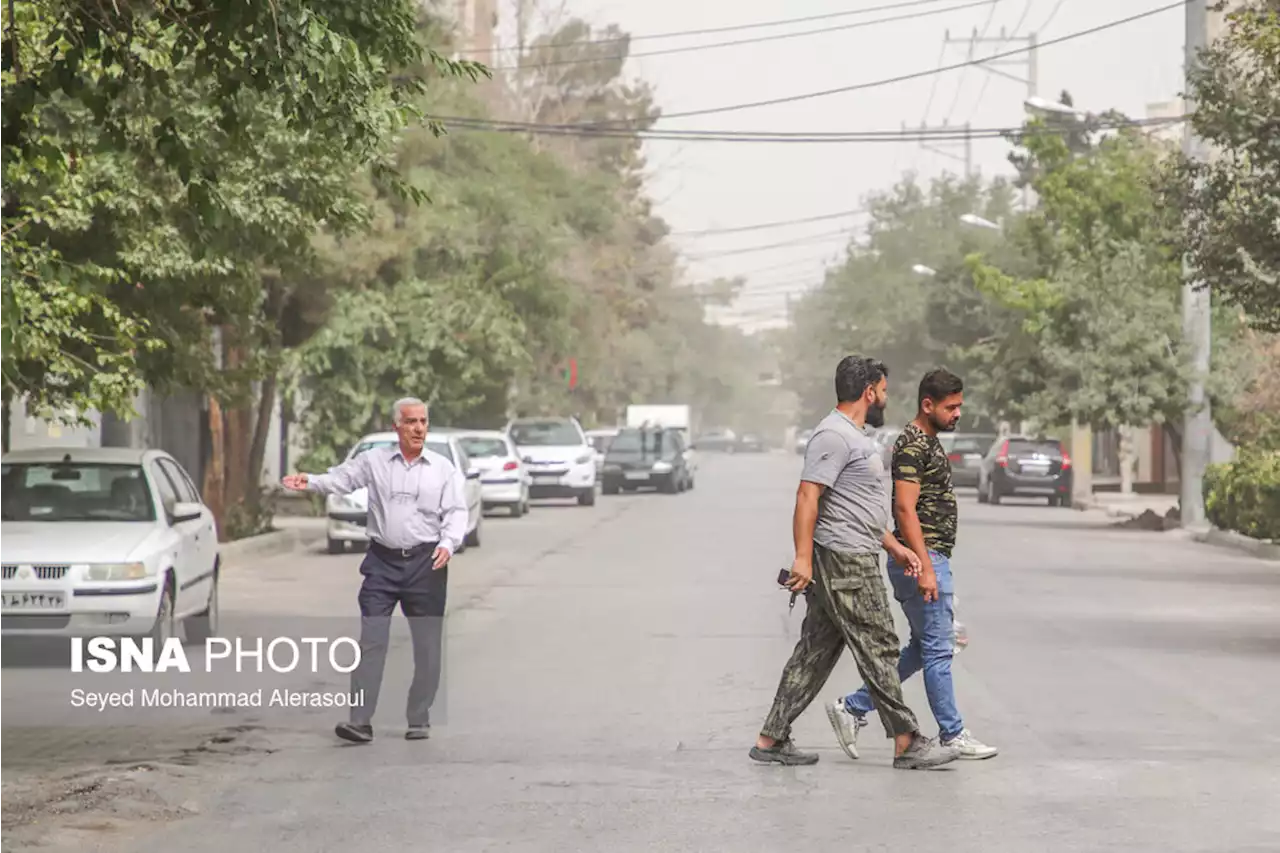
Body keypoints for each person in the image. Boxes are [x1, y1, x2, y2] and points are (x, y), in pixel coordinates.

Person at [750, 356, 961, 770]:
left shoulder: (853, 436)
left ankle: (771, 737)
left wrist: (895, 548)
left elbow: (856, 506)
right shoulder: (833, 436)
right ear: (869, 392)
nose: (885, 398)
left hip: (857, 548)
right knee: (880, 645)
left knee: (815, 653)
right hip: (846, 560)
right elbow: (808, 496)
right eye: (883, 391)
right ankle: (907, 741)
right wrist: (803, 557)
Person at [827, 368, 998, 761]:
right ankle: (952, 734)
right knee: (939, 650)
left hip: (928, 557)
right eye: (951, 407)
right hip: (922, 558)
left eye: (960, 406)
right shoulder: (913, 445)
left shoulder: (928, 442)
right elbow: (904, 508)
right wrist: (924, 565)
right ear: (927, 404)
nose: (958, 414)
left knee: (924, 649)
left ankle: (852, 706)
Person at [281, 397, 469, 744]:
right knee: (372, 641)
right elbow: (341, 479)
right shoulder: (374, 461)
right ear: (396, 425)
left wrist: (448, 543)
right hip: (382, 564)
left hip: (426, 565)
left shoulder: (443, 469)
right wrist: (309, 481)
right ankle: (360, 721)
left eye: (424, 422)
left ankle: (419, 716)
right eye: (411, 422)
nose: (418, 429)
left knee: (427, 646)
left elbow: (456, 511)